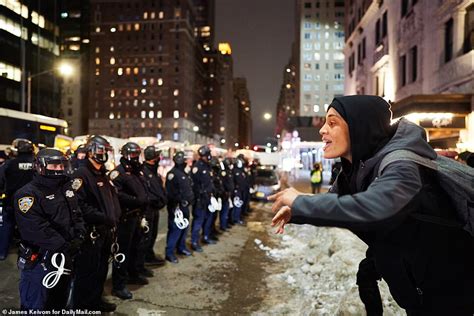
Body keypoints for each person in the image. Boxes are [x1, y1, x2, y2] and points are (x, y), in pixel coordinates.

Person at [269, 95, 474, 316]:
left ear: (359, 126)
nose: (322, 130)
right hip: (415, 280)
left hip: (453, 288)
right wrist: (296, 212)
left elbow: (375, 207)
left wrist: (302, 202)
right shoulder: (357, 168)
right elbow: (337, 201)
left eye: (333, 122)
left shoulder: (401, 165)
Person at [14, 148, 85, 310]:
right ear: (40, 166)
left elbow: (77, 214)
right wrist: (64, 245)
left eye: (61, 165)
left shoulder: (66, 188)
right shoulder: (27, 194)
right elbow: (35, 229)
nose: (59, 169)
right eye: (54, 166)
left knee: (59, 302)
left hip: (65, 256)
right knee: (35, 305)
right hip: (41, 260)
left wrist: (80, 235)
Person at [72, 135, 121, 312]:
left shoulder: (103, 173)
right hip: (91, 233)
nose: (103, 154)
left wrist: (114, 217)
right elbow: (79, 205)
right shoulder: (81, 174)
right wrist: (103, 217)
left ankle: (95, 301)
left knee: (101, 270)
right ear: (91, 152)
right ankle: (80, 307)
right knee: (86, 273)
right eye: (101, 150)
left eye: (105, 151)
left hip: (106, 231)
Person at [110, 142, 149, 300]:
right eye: (133, 154)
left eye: (137, 154)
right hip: (125, 219)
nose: (135, 157)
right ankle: (118, 285)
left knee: (135, 248)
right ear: (125, 155)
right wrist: (136, 200)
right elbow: (117, 195)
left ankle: (133, 274)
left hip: (136, 216)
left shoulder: (136, 171)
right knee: (122, 253)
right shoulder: (117, 173)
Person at [0, 138, 35, 259]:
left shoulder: (9, 164)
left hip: (11, 201)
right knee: (29, 228)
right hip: (31, 204)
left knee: (7, 226)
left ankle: (2, 252)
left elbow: (0, 180)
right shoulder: (37, 164)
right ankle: (29, 254)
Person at [165, 151, 194, 263]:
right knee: (175, 229)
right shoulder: (172, 174)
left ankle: (181, 247)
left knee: (184, 228)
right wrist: (179, 201)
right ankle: (169, 253)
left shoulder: (183, 173)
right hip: (176, 207)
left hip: (184, 206)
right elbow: (170, 193)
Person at [142, 145, 167, 266]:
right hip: (148, 210)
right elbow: (145, 192)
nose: (159, 158)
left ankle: (149, 255)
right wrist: (156, 200)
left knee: (152, 235)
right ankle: (144, 259)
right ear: (153, 157)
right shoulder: (144, 171)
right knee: (146, 237)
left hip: (155, 209)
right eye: (158, 156)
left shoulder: (153, 171)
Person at [190, 145, 215, 250]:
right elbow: (193, 184)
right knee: (198, 220)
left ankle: (205, 236)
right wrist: (199, 195)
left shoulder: (207, 166)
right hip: (200, 199)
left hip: (208, 198)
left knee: (208, 218)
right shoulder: (197, 167)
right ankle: (194, 242)